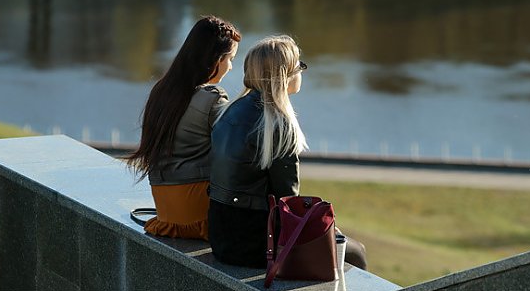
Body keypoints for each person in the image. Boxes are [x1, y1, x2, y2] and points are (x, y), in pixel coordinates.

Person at [208, 35, 367, 269]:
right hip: (256, 244)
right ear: (285, 76)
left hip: (221, 237)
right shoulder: (277, 124)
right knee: (356, 252)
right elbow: (288, 199)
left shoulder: (229, 111)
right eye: (299, 67)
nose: (301, 72)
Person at [125, 15, 241, 241]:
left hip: (165, 206)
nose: (230, 67)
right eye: (231, 59)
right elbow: (236, 149)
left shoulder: (162, 91)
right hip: (198, 209)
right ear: (216, 59)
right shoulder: (212, 99)